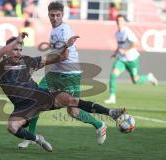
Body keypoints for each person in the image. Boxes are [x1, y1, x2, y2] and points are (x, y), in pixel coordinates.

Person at [0, 32, 126, 152]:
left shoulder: (26, 61)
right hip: (23, 107)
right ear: (7, 50)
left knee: (72, 101)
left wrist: (65, 47)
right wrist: (17, 40)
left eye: (20, 49)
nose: (18, 52)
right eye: (15, 49)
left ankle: (111, 113)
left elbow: (48, 58)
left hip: (40, 96)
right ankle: (37, 139)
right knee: (12, 127)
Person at [18, 1, 108, 149]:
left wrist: (42, 63)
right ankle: (30, 137)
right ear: (48, 15)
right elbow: (55, 53)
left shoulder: (64, 31)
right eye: (52, 15)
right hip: (54, 73)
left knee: (73, 111)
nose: (55, 18)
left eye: (58, 15)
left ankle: (99, 125)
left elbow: (64, 56)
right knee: (35, 101)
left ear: (62, 15)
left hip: (69, 74)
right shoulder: (54, 30)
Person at [104, 15, 158, 104]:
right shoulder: (117, 33)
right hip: (121, 59)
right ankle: (112, 97)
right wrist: (115, 53)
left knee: (135, 80)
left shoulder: (127, 32)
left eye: (121, 21)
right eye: (117, 20)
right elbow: (120, 45)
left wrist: (125, 50)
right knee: (113, 75)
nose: (119, 22)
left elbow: (136, 44)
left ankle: (149, 77)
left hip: (132, 59)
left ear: (124, 22)